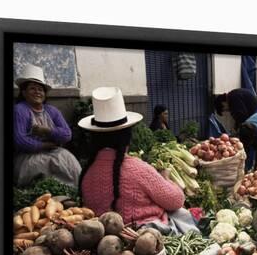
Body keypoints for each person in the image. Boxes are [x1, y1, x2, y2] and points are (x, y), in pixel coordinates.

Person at [79, 87, 197, 234]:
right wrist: (165, 177)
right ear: (127, 136)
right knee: (182, 214)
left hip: (103, 239)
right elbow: (176, 200)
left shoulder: (87, 172)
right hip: (146, 236)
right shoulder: (137, 169)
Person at [13, 64, 81, 187]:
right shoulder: (19, 110)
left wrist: (47, 130)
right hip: (28, 155)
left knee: (70, 162)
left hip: (54, 150)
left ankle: (74, 192)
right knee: (40, 166)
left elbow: (67, 134)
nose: (37, 92)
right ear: (24, 92)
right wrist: (45, 145)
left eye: (40, 89)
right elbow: (20, 140)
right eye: (32, 88)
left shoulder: (52, 111)